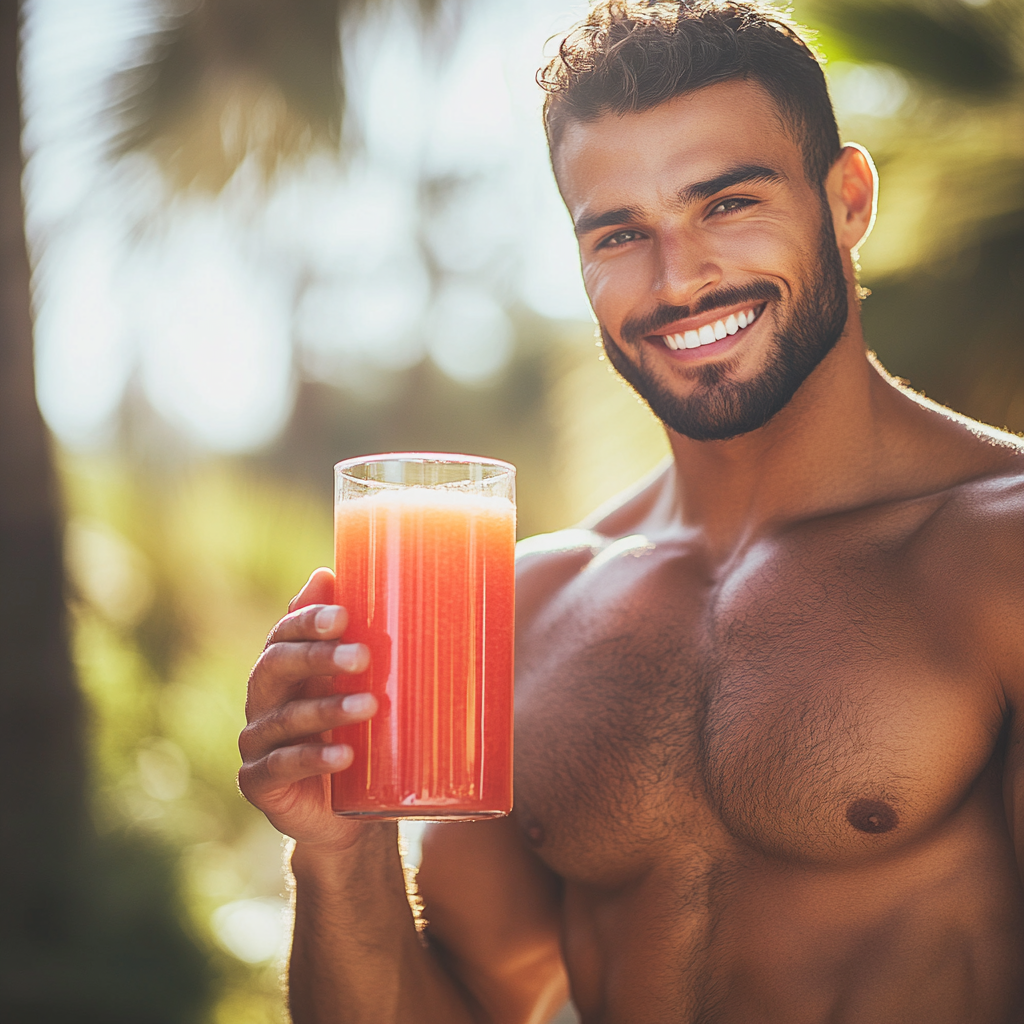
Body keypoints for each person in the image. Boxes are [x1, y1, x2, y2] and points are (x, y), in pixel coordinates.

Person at [238, 1, 1024, 1020]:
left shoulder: (998, 552)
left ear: (846, 200)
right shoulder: (527, 604)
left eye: (726, 204)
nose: (679, 278)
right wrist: (337, 853)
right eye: (619, 232)